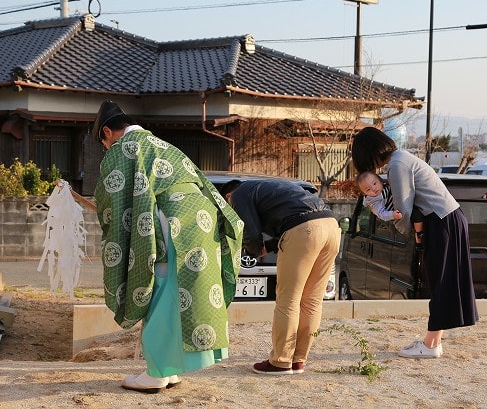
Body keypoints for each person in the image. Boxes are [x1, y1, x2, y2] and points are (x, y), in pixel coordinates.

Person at [92, 100, 244, 392]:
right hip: (203, 219)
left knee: (161, 289)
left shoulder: (125, 148)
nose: (106, 149)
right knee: (181, 293)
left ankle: (157, 372)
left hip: (171, 223)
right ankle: (171, 368)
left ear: (108, 132)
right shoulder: (160, 144)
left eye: (104, 142)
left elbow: (112, 196)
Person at [351, 126, 478, 358]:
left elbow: (404, 209)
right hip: (448, 218)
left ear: (370, 152)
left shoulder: (397, 165)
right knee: (443, 281)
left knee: (440, 282)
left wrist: (402, 231)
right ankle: (433, 342)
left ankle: (430, 346)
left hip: (442, 221)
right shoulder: (401, 158)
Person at [219, 179, 341, 375]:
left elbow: (250, 230)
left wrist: (255, 249)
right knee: (312, 301)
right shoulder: (270, 188)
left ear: (228, 197)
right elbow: (293, 221)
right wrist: (270, 246)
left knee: (288, 300)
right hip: (331, 227)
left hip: (305, 230)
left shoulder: (238, 195)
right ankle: (298, 360)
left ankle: (280, 362)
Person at [356, 170, 425, 249]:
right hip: (398, 215)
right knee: (416, 214)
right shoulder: (375, 201)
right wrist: (393, 215)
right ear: (365, 194)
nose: (373, 188)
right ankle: (419, 237)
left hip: (408, 206)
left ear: (381, 181)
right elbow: (382, 214)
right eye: (368, 189)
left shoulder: (387, 185)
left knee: (418, 212)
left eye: (374, 183)